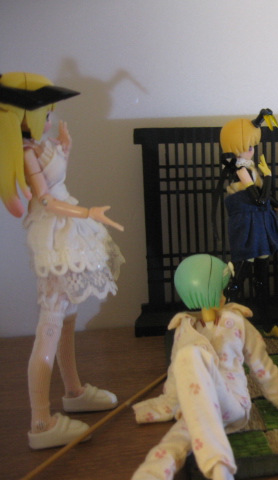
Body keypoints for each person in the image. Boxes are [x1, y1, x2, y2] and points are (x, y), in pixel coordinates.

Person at [0, 72, 125, 449]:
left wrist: (65, 148)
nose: (50, 118)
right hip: (56, 235)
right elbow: (46, 200)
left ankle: (73, 390)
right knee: (51, 324)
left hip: (65, 231)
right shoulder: (25, 153)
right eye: (44, 111)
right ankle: (41, 422)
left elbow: (54, 180)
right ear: (26, 116)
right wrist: (88, 212)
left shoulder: (38, 146)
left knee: (67, 316)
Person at [132, 255, 278, 480]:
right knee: (175, 440)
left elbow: (260, 364)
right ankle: (154, 473)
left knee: (190, 355)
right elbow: (176, 376)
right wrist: (168, 403)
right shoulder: (184, 328)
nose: (224, 295)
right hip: (198, 405)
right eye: (220, 290)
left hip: (232, 403)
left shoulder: (236, 321)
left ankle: (220, 465)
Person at [212, 108, 278, 340]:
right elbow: (258, 199)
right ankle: (221, 323)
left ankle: (267, 324)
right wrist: (269, 176)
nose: (252, 150)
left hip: (260, 222)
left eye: (252, 145)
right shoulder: (239, 170)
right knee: (239, 276)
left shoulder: (248, 167)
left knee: (262, 278)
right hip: (248, 226)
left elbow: (262, 197)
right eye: (248, 146)